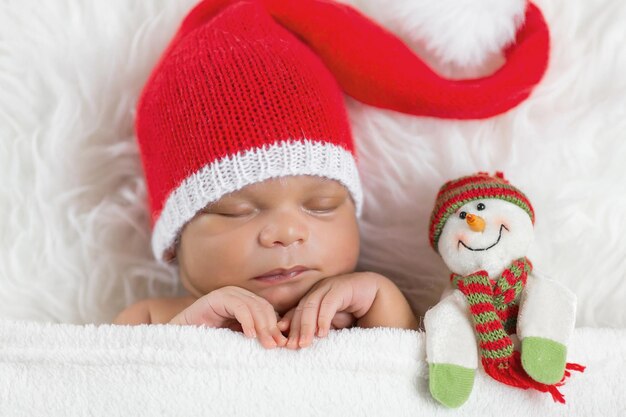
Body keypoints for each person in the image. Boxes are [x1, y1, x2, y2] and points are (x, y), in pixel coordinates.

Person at [113, 0, 419, 349]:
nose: (287, 233)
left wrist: (382, 298)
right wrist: (187, 333)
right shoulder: (151, 318)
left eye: (322, 205)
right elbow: (121, 390)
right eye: (236, 211)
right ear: (174, 244)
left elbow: (408, 383)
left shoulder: (365, 308)